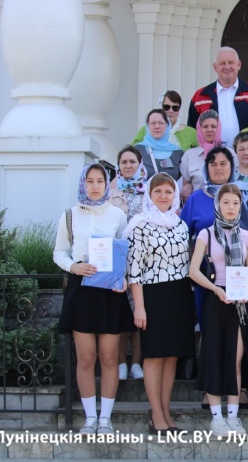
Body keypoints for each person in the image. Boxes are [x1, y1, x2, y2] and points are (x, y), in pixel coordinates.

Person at [53, 163, 133, 435]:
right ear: (83, 183)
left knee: (109, 357)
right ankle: (89, 418)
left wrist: (122, 278)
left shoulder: (117, 215)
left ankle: (105, 419)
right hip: (82, 288)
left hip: (110, 290)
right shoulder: (69, 216)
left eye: (100, 180)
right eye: (90, 180)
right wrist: (73, 267)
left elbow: (125, 252)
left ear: (108, 183)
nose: (95, 185)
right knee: (86, 357)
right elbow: (59, 252)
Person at [124, 173, 195, 434]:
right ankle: (156, 414)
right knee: (154, 357)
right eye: (158, 191)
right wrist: (139, 307)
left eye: (168, 191)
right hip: (153, 295)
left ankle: (166, 411)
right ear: (149, 195)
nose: (163, 196)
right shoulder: (140, 224)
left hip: (179, 295)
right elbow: (135, 270)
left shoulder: (180, 225)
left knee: (171, 357)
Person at [189, 184, 248, 437]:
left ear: (241, 206)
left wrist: (245, 287)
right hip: (215, 299)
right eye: (226, 202)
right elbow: (193, 271)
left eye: (235, 203)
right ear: (218, 205)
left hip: (238, 302)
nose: (230, 208)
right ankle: (216, 418)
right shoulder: (206, 234)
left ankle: (233, 417)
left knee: (235, 360)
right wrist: (217, 290)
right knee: (214, 356)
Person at [180, 146, 248, 330]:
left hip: (243, 276)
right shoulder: (196, 199)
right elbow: (184, 235)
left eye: (223, 163)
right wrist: (195, 261)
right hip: (207, 277)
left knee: (241, 327)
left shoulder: (246, 195)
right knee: (210, 328)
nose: (218, 168)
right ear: (206, 169)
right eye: (213, 164)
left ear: (233, 166)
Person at [108, 145, 147, 381]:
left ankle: (136, 363)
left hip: (143, 259)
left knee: (140, 312)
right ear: (119, 166)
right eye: (124, 162)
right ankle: (121, 362)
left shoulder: (148, 190)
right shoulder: (110, 191)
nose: (128, 166)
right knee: (122, 313)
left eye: (132, 161)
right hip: (119, 259)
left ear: (140, 163)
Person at [187, 47, 248, 147]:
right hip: (212, 158)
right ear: (215, 67)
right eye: (222, 63)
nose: (227, 67)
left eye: (231, 62)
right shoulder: (200, 97)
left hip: (246, 156)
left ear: (239, 65)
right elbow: (192, 131)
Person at [180, 110, 227, 203]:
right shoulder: (189, 155)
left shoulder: (229, 154)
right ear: (199, 129)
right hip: (198, 206)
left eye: (213, 126)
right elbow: (184, 184)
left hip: (223, 207)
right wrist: (188, 186)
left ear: (219, 128)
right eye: (205, 126)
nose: (209, 130)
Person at [132, 90, 197, 150]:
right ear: (160, 107)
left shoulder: (192, 133)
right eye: (166, 107)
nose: (171, 111)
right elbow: (133, 154)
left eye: (175, 108)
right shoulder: (146, 130)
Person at [136, 109, 185, 182]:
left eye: (161, 123)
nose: (157, 126)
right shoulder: (138, 150)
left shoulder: (178, 153)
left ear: (168, 126)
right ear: (147, 126)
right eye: (153, 123)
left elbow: (184, 179)